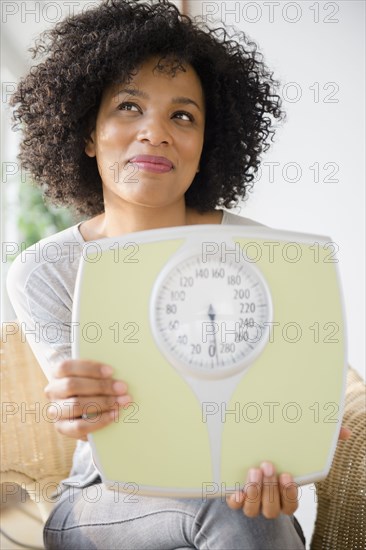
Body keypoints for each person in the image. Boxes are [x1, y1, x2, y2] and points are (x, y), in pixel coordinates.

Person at [7, 0, 350, 548]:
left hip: (233, 481)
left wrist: (294, 447)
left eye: (182, 115)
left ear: (204, 145)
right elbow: (90, 417)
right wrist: (75, 406)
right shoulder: (44, 269)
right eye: (127, 106)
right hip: (101, 492)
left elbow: (281, 387)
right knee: (237, 516)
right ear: (88, 134)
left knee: (254, 514)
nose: (155, 132)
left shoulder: (261, 252)